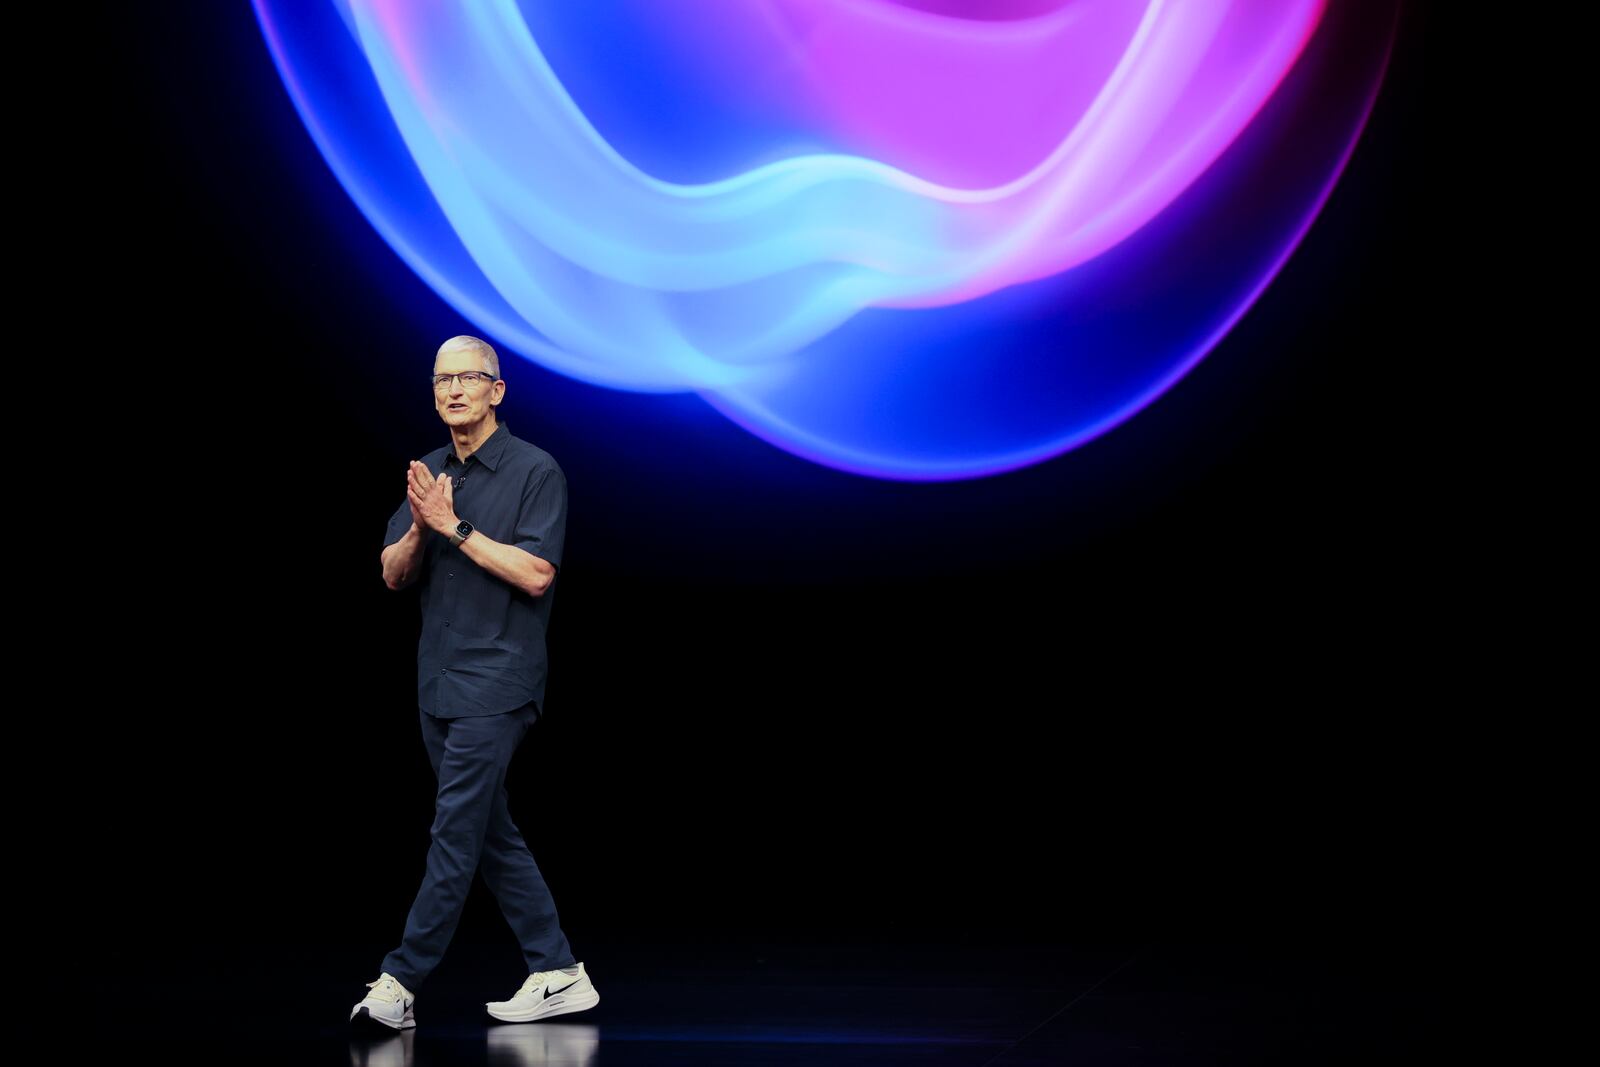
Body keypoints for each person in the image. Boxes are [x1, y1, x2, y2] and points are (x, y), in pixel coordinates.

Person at [349, 335, 598, 1031]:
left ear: (498, 389)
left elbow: (537, 573)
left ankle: (399, 981)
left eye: (469, 377)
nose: (454, 389)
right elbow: (393, 575)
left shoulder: (535, 470)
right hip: (438, 683)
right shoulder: (428, 472)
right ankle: (558, 968)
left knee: (455, 833)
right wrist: (421, 529)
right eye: (442, 379)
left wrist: (452, 525)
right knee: (487, 830)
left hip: (499, 680)